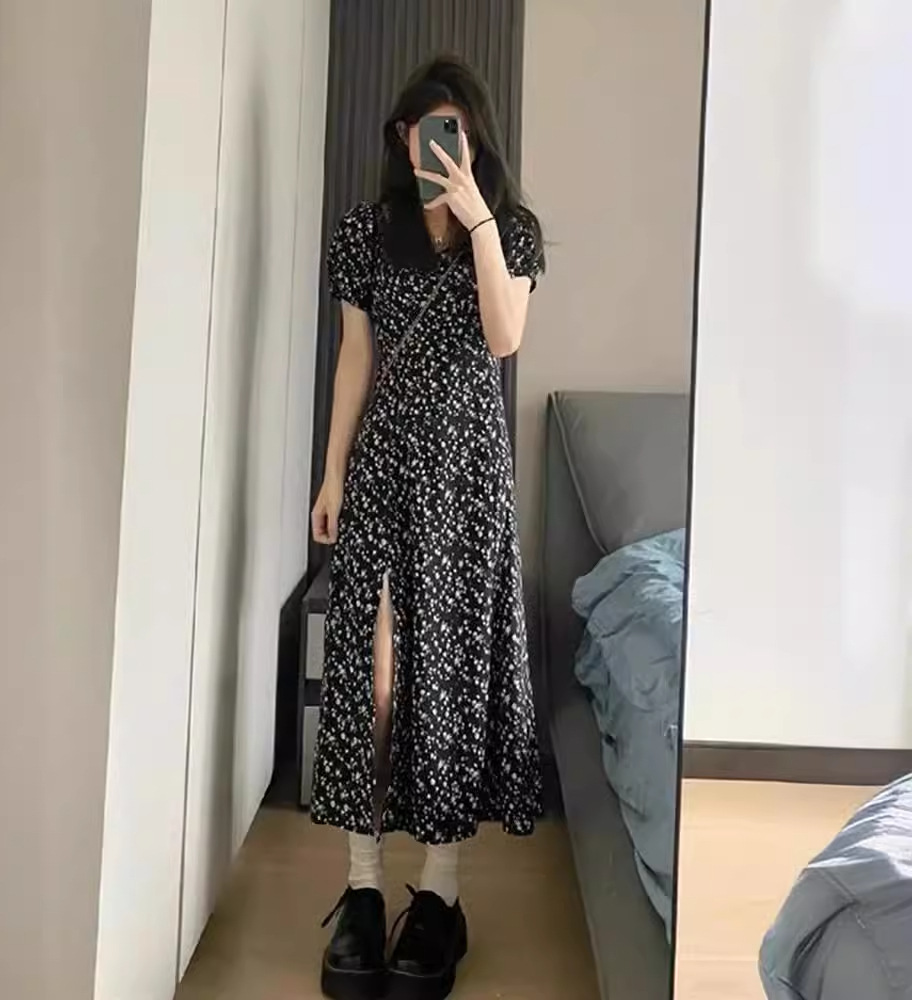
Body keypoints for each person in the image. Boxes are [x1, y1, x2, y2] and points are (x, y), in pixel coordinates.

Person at [309, 53, 545, 1000]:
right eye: (423, 131)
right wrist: (332, 471)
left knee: (447, 680)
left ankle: (440, 897)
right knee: (371, 682)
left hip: (466, 482)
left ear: (475, 141)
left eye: (455, 132)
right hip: (382, 470)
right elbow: (353, 356)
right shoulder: (365, 233)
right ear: (401, 136)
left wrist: (479, 219)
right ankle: (364, 888)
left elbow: (504, 337)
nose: (436, 146)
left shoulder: (512, 231)